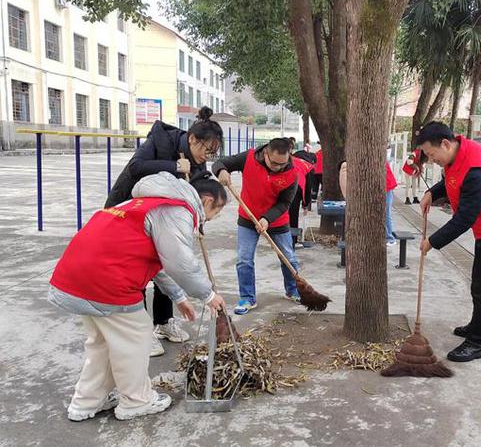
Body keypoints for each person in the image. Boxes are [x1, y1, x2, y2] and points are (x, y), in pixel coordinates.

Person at [48, 171, 227, 421]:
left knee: (103, 343)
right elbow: (178, 261)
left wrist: (178, 296)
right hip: (107, 280)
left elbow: (160, 261)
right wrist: (207, 295)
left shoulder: (144, 203)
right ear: (207, 201)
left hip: (77, 274)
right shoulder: (177, 210)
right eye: (216, 212)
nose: (211, 218)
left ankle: (87, 401)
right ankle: (136, 401)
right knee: (136, 335)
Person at [105, 106, 223, 357]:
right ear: (192, 138)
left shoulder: (199, 164)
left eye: (212, 152)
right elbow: (136, 168)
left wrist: (198, 222)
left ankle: (163, 321)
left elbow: (197, 195)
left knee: (165, 262)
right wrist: (173, 165)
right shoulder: (160, 137)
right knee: (138, 270)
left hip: (164, 218)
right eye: (205, 149)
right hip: (131, 212)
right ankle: (142, 331)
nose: (207, 156)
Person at [417, 122, 481, 362]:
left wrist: (432, 242)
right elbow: (453, 179)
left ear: (445, 143)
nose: (432, 160)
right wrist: (432, 192)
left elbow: (464, 218)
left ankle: (476, 343)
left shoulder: (476, 171)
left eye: (432, 155)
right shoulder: (459, 153)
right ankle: (480, 325)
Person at [213, 138, 301, 314]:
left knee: (288, 258)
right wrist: (221, 171)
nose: (278, 168)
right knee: (244, 259)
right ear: (266, 153)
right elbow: (219, 163)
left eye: (282, 164)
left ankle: (293, 290)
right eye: (275, 163)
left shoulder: (292, 172)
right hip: (247, 218)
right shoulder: (249, 157)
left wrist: (267, 219)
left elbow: (285, 203)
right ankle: (247, 298)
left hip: (277, 220)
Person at [338, 158, 398, 246]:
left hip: (386, 186)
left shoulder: (372, 160)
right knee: (382, 212)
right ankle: (384, 235)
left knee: (385, 213)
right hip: (381, 187)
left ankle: (390, 238)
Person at [289, 138, 315, 246]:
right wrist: (305, 204)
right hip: (296, 189)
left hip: (282, 186)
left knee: (281, 214)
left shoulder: (289, 159)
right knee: (293, 215)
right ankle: (292, 241)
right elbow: (308, 187)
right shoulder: (308, 166)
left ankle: (279, 240)